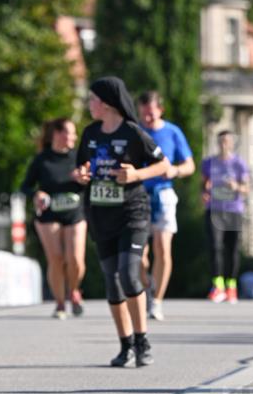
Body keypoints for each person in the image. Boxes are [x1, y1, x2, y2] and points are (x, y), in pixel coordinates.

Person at [73, 76, 167, 368]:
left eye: (92, 99)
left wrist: (136, 175)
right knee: (112, 283)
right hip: (101, 215)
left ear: (107, 103)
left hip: (133, 213)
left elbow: (163, 165)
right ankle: (125, 344)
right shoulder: (89, 134)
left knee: (129, 274)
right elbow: (81, 168)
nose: (89, 104)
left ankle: (142, 340)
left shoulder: (133, 133)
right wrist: (81, 176)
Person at [136, 91, 195, 320]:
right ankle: (148, 286)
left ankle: (157, 301)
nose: (147, 118)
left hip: (164, 193)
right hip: (139, 195)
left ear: (160, 110)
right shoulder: (135, 131)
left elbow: (189, 165)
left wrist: (175, 170)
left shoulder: (172, 132)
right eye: (143, 113)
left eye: (151, 113)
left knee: (163, 247)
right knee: (140, 254)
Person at [20, 117, 87, 318]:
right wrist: (36, 195)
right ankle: (60, 304)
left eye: (74, 133)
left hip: (75, 212)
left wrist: (84, 179)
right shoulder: (42, 159)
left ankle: (74, 290)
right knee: (56, 258)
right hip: (49, 214)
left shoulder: (79, 157)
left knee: (75, 258)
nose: (73, 136)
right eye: (69, 132)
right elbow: (25, 187)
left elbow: (91, 182)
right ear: (56, 134)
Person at [201, 131, 250, 303]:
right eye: (221, 141)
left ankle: (231, 287)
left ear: (231, 144)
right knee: (215, 247)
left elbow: (247, 189)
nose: (223, 144)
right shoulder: (208, 163)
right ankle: (218, 286)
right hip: (214, 210)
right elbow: (203, 184)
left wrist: (235, 186)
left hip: (233, 210)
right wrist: (204, 192)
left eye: (227, 141)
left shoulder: (239, 164)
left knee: (232, 249)